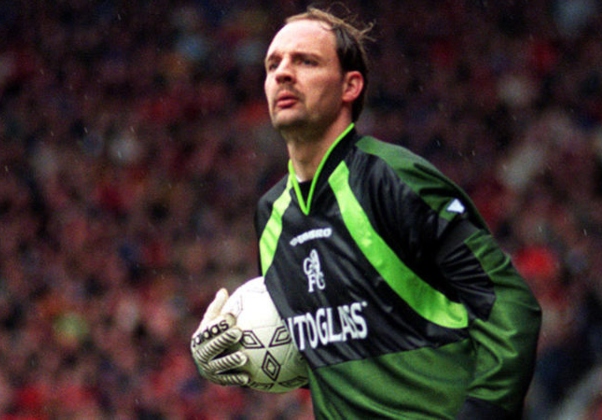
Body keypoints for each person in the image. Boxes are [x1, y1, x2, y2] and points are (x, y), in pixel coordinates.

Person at [191, 6, 541, 419]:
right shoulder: (271, 217)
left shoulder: (392, 179)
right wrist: (232, 355)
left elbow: (507, 303)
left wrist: (482, 412)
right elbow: (334, 350)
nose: (283, 73)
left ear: (350, 86)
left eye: (305, 61)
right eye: (273, 64)